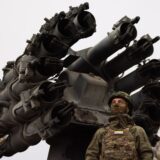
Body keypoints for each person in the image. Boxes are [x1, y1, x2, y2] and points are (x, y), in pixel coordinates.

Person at [85, 91, 153, 160]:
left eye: (120, 102)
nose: (116, 103)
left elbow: (146, 154)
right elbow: (91, 154)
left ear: (128, 108)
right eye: (113, 102)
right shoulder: (101, 132)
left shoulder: (137, 131)